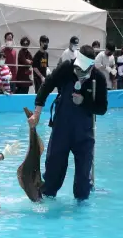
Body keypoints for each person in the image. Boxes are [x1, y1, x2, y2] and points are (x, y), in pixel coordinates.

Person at [28, 45, 108, 201]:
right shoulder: (67, 67)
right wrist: (37, 113)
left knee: (82, 184)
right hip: (61, 130)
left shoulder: (98, 78)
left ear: (92, 66)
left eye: (83, 70)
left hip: (84, 134)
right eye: (78, 68)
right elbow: (46, 86)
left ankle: (81, 216)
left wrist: (84, 102)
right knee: (52, 177)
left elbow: (102, 108)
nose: (79, 72)